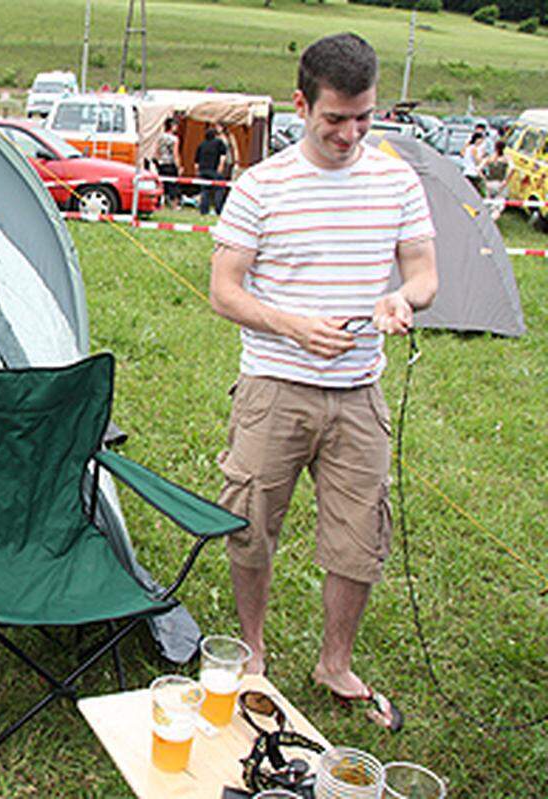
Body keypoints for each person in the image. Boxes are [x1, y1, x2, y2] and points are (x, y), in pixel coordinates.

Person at [208, 33, 437, 733]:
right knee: (250, 524)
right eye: (336, 118)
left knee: (359, 535)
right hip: (276, 385)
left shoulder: (396, 179)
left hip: (359, 392)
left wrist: (404, 299)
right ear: (301, 104)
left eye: (364, 117)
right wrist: (291, 325)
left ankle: (334, 662)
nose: (351, 133)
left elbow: (424, 272)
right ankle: (252, 648)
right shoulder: (261, 186)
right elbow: (224, 290)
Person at [195, 126, 227, 215]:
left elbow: (196, 161)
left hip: (203, 170)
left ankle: (204, 210)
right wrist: (220, 167)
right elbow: (223, 156)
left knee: (205, 190)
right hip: (214, 170)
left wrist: (197, 172)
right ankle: (218, 209)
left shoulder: (201, 145)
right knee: (219, 189)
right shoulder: (219, 143)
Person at [153, 117, 182, 211]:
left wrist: (157, 161)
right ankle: (174, 205)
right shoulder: (174, 139)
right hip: (170, 163)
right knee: (173, 185)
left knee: (162, 184)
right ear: (172, 126)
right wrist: (179, 166)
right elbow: (175, 153)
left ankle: (159, 204)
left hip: (161, 163)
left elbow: (156, 151)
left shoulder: (160, 137)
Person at [215, 123, 239, 214]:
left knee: (226, 184)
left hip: (228, 162)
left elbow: (235, 148)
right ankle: (219, 206)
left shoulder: (229, 136)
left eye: (218, 126)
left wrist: (236, 160)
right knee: (220, 185)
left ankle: (224, 205)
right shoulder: (217, 138)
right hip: (221, 163)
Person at [461, 130, 488, 197]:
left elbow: (462, 154)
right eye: (481, 139)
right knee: (479, 191)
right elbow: (477, 161)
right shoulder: (474, 149)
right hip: (473, 172)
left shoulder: (468, 147)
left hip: (466, 171)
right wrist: (484, 159)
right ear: (477, 139)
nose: (482, 142)